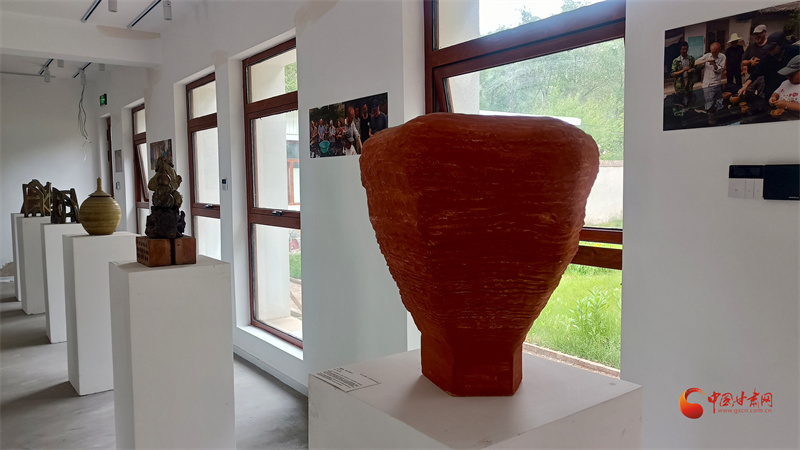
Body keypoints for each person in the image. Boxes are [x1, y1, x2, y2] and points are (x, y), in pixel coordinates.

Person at [695, 42, 726, 111]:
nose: (713, 54)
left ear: (719, 50)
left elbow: (720, 69)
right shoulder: (707, 56)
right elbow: (695, 62)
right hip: (706, 84)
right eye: (712, 52)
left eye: (715, 52)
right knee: (708, 102)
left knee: (718, 102)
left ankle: (717, 113)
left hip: (716, 83)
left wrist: (714, 65)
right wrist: (706, 60)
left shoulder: (722, 57)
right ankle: (709, 113)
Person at [741, 24, 770, 95]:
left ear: (765, 32)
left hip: (764, 77)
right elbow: (743, 62)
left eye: (759, 34)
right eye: (755, 34)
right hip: (751, 76)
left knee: (762, 96)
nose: (756, 36)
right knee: (747, 94)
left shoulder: (770, 46)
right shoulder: (751, 47)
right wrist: (750, 62)